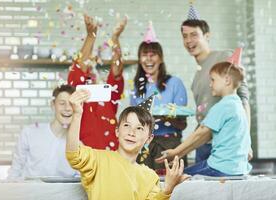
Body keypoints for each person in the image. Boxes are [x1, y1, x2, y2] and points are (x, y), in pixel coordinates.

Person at [67, 89, 189, 200]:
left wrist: (168, 189)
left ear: (149, 139)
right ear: (117, 131)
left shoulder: (150, 177)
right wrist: (77, 115)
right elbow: (74, 155)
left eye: (139, 128)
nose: (131, 132)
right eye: (127, 125)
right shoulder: (98, 160)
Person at [156, 61, 252, 176]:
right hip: (238, 169)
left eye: (213, 80)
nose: (210, 84)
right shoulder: (238, 105)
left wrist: (175, 152)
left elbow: (200, 134)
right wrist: (178, 154)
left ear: (227, 80)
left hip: (220, 167)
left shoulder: (223, 106)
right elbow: (204, 137)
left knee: (178, 177)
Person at [180, 16, 251, 163]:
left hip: (226, 145)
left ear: (207, 36)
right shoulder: (196, 77)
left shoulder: (224, 57)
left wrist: (246, 140)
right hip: (203, 146)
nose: (188, 40)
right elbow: (204, 116)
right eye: (185, 36)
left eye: (194, 35)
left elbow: (243, 99)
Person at [130, 22, 188, 172]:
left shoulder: (175, 83)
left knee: (171, 189)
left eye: (153, 54)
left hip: (170, 145)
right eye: (144, 55)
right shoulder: (137, 88)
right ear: (139, 59)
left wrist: (166, 117)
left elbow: (183, 124)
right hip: (143, 146)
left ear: (160, 58)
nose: (148, 59)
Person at [67, 14, 127, 150]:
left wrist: (115, 39)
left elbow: (117, 71)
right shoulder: (78, 90)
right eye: (89, 59)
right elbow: (79, 67)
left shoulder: (107, 93)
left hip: (113, 157)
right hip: (87, 159)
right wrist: (91, 36)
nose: (91, 62)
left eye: (94, 59)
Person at [7, 84, 78, 179]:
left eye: (72, 104)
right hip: (29, 192)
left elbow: (79, 180)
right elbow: (15, 170)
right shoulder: (29, 133)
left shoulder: (77, 145)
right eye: (62, 103)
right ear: (53, 105)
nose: (67, 108)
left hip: (61, 194)